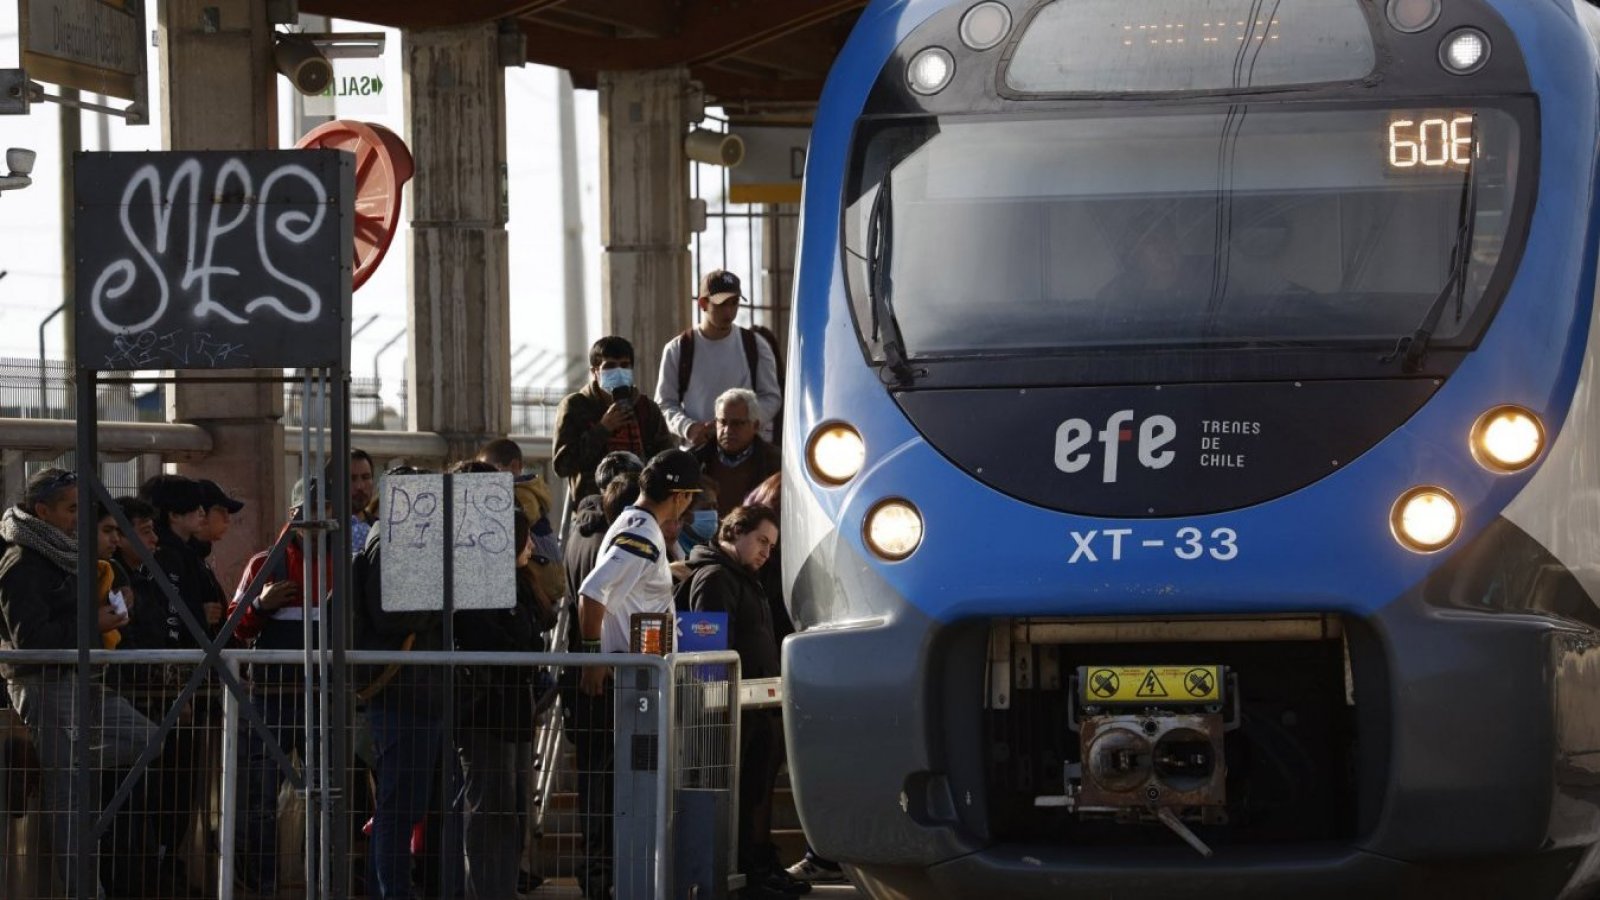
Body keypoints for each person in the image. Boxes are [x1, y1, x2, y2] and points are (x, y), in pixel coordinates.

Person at [0, 468, 160, 898]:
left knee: (146, 738)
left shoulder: (62, 555)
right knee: (68, 801)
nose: (78, 519)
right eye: (71, 509)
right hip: (44, 684)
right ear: (43, 511)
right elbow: (31, 641)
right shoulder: (23, 563)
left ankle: (56, 762)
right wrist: (93, 624)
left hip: (78, 682)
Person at [573, 449, 704, 900]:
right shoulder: (641, 533)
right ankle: (624, 885)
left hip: (637, 686)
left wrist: (666, 573)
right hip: (631, 688)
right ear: (680, 496)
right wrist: (594, 660)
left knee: (634, 796)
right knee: (632, 799)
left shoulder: (636, 526)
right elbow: (593, 593)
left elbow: (629, 586)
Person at [680, 505, 803, 898]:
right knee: (743, 794)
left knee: (756, 792)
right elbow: (709, 647)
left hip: (755, 705)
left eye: (771, 545)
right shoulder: (716, 577)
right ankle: (749, 873)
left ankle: (760, 865)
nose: (766, 551)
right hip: (731, 712)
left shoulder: (745, 577)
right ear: (735, 531)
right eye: (761, 540)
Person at [354, 465, 457, 900]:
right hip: (403, 696)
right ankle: (392, 890)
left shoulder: (406, 543)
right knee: (399, 806)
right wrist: (441, 600)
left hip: (420, 693)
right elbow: (392, 614)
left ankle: (395, 886)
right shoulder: (388, 544)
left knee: (408, 803)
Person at [228, 478, 333, 897]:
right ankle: (263, 885)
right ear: (294, 516)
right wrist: (261, 605)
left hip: (322, 699)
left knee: (326, 797)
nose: (319, 521)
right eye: (310, 512)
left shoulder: (346, 563)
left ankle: (321, 883)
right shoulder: (264, 564)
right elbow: (234, 628)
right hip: (271, 700)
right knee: (260, 799)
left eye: (326, 511)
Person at [455, 504, 555, 899]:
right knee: (489, 808)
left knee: (514, 809)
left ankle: (505, 886)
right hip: (486, 711)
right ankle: (486, 890)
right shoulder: (478, 589)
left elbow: (533, 631)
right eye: (523, 537)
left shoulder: (522, 584)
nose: (530, 545)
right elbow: (492, 640)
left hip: (516, 709)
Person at [656, 270, 783, 447]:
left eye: (734, 303)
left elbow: (771, 397)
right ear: (703, 303)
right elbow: (664, 404)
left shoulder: (756, 345)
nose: (729, 312)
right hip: (698, 452)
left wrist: (743, 424)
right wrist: (689, 428)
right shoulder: (678, 349)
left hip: (746, 453)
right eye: (721, 304)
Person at [554, 336, 674, 502]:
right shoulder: (576, 406)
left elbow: (667, 459)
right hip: (595, 504)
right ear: (595, 371)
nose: (618, 372)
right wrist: (602, 429)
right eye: (610, 366)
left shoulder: (646, 408)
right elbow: (562, 466)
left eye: (624, 365)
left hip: (642, 502)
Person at [696, 388, 782, 519]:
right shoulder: (695, 461)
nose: (727, 430)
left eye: (736, 424)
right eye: (722, 422)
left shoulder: (777, 464)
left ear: (755, 425)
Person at [351, 448, 379, 556]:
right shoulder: (324, 531)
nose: (360, 486)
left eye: (366, 477)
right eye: (352, 478)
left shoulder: (380, 529)